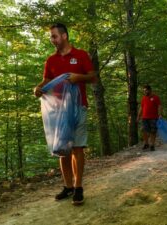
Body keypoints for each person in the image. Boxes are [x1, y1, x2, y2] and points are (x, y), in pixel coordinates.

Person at [34, 23, 96, 205]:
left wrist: (79, 77)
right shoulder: (51, 60)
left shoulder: (81, 55)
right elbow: (46, 80)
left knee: (77, 148)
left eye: (54, 36)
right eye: (51, 37)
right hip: (57, 111)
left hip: (78, 107)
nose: (52, 40)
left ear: (64, 36)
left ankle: (78, 188)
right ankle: (68, 186)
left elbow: (93, 77)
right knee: (63, 151)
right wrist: (37, 88)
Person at [137, 85, 162, 151]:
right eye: (144, 91)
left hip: (153, 117)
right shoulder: (143, 98)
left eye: (146, 90)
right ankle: (146, 144)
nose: (145, 92)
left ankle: (152, 145)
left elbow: (159, 106)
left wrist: (159, 114)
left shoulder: (156, 97)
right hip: (144, 117)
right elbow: (141, 108)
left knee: (153, 132)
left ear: (150, 90)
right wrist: (138, 116)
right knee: (144, 131)